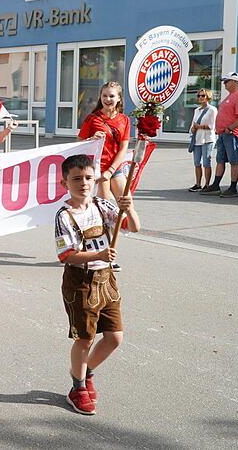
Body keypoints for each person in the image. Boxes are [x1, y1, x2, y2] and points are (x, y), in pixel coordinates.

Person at [54, 154, 140, 415]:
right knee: (85, 338)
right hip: (80, 282)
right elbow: (65, 255)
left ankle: (86, 371)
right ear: (64, 183)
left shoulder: (103, 205)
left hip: (107, 280)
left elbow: (133, 227)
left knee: (114, 337)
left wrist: (130, 206)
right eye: (76, 178)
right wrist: (98, 255)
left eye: (88, 178)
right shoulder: (64, 215)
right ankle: (77, 387)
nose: (84, 183)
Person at [77, 83, 130, 201]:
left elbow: (123, 148)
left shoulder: (124, 120)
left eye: (111, 96)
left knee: (128, 205)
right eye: (104, 95)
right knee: (105, 208)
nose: (107, 99)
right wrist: (91, 140)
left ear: (119, 98)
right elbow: (78, 144)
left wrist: (111, 170)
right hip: (98, 170)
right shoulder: (92, 118)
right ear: (100, 97)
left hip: (116, 169)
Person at [201, 72, 238, 198]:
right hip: (223, 134)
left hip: (232, 134)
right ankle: (216, 185)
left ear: (234, 82)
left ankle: (233, 188)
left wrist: (229, 128)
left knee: (234, 161)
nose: (224, 83)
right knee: (220, 160)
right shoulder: (230, 96)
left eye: (226, 81)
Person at [188, 89, 217, 192]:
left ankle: (207, 184)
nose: (200, 97)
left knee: (206, 162)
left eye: (203, 96)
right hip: (197, 139)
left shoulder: (212, 109)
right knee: (197, 163)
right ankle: (198, 184)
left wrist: (199, 126)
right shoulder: (197, 110)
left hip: (207, 139)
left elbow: (212, 126)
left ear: (208, 97)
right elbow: (193, 123)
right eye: (199, 96)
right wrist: (193, 128)